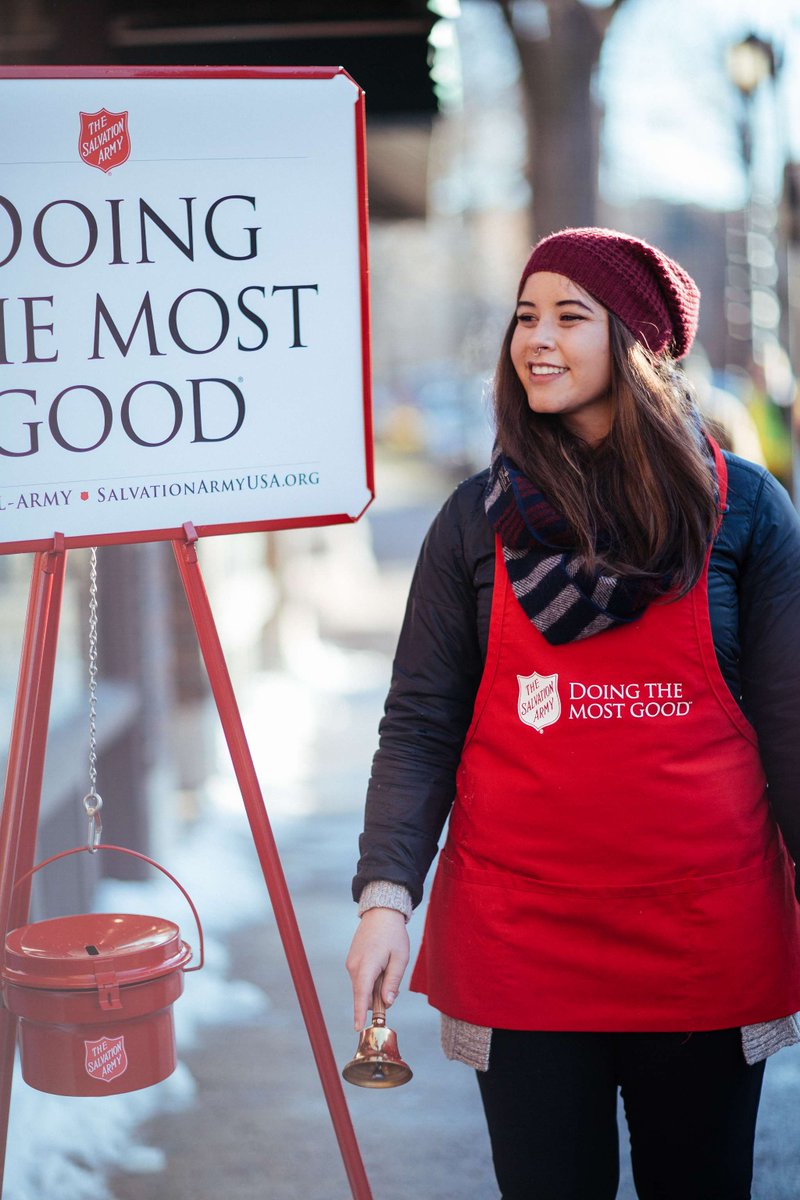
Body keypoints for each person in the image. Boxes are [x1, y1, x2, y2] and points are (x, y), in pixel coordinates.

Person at [345, 227, 800, 1200]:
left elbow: (791, 728)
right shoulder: (475, 519)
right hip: (522, 946)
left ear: (635, 343)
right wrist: (386, 895)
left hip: (701, 939)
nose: (534, 340)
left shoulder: (747, 512)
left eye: (567, 316)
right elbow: (420, 723)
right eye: (522, 317)